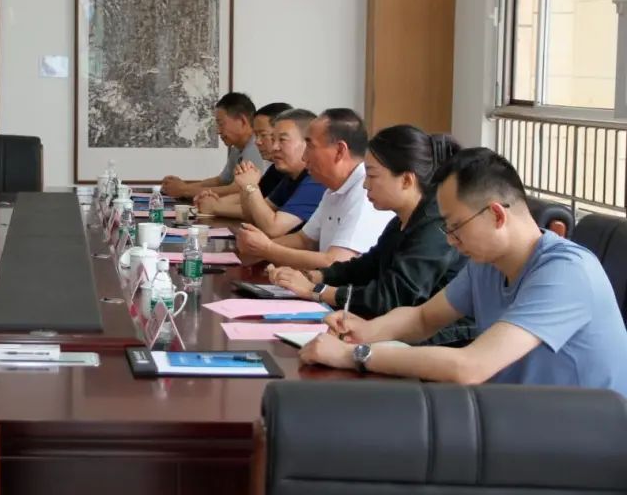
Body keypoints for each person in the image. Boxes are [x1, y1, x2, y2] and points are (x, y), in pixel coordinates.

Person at [299, 148, 627, 396]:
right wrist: (364, 331)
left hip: (587, 439)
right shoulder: (487, 264)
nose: (451, 241)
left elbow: (470, 366)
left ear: (497, 215)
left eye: (455, 226)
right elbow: (422, 319)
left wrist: (355, 355)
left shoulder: (566, 273)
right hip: (521, 417)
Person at [269, 125, 475, 345]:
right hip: (402, 333)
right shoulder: (402, 219)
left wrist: (316, 291)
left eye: (373, 175)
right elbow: (367, 266)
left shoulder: (435, 226)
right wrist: (315, 276)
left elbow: (392, 297)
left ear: (406, 180)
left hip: (444, 342)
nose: (366, 185)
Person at [236, 108, 393, 269]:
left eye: (310, 146)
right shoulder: (332, 189)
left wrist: (266, 249)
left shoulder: (366, 192)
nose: (304, 157)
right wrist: (254, 248)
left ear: (340, 150)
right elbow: (304, 240)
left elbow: (336, 261)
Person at [204, 108, 329, 237]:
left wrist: (251, 186)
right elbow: (253, 217)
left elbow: (273, 228)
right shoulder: (290, 177)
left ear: (307, 143)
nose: (274, 147)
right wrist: (245, 187)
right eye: (273, 140)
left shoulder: (316, 181)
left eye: (282, 140)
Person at [194, 102, 292, 218]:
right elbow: (254, 198)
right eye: (256, 135)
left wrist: (215, 207)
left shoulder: (303, 177)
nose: (257, 142)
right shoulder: (276, 169)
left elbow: (265, 212)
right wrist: (213, 201)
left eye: (263, 135)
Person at [161, 92, 266, 200]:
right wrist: (184, 187)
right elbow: (220, 181)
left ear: (242, 121)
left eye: (221, 124)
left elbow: (238, 190)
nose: (218, 131)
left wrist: (184, 190)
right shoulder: (237, 148)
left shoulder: (257, 146)